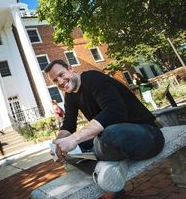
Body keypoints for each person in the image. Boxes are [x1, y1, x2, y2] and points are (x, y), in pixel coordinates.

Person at [44, 60, 164, 194]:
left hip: (147, 134)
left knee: (109, 135)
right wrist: (58, 143)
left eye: (61, 74)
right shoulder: (70, 95)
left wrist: (73, 139)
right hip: (112, 139)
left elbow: (114, 112)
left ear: (71, 69)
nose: (60, 82)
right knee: (71, 151)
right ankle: (110, 173)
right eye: (55, 80)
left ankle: (105, 167)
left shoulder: (93, 78)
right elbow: (68, 123)